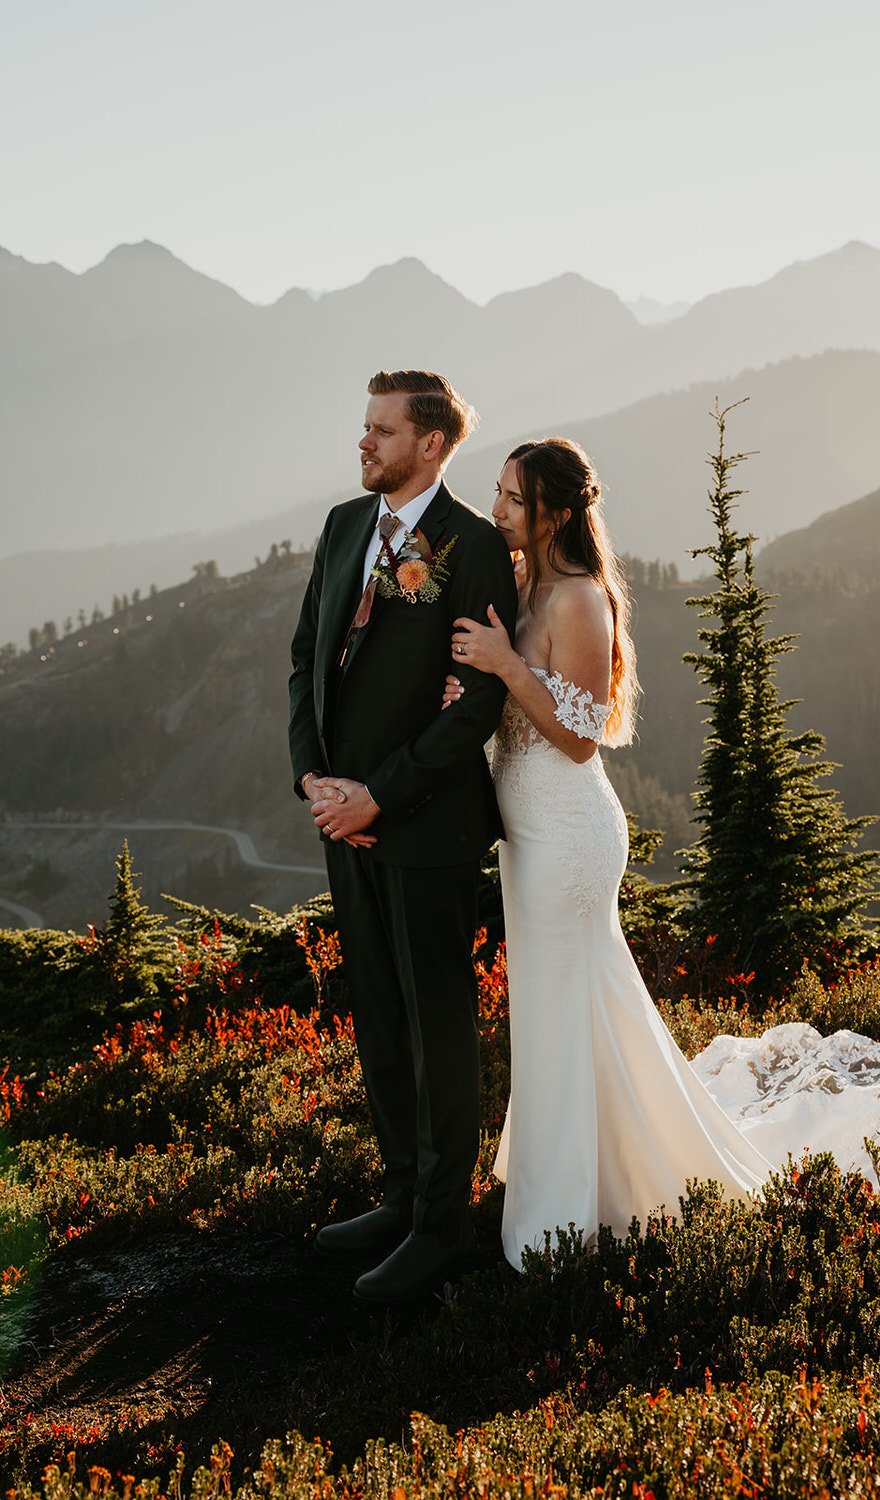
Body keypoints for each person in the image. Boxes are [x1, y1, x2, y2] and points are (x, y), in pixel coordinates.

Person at [446, 438, 773, 1270]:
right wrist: (473, 685)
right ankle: (582, 1173)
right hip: (526, 838)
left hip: (570, 837)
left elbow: (582, 736)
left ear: (553, 511)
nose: (497, 512)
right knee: (560, 1009)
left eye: (512, 500)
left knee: (566, 1005)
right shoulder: (525, 586)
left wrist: (505, 667)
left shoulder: (581, 600)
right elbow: (515, 708)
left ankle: (568, 1210)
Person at [289, 369, 518, 1306]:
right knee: (378, 1010)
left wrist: (376, 796)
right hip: (341, 818)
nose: (363, 443)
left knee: (438, 1021)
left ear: (431, 444)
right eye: (365, 426)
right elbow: (307, 655)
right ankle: (397, 1194)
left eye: (381, 431)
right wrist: (313, 779)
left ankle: (442, 1223)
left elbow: (477, 710)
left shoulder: (474, 549)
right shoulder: (347, 526)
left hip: (424, 823)